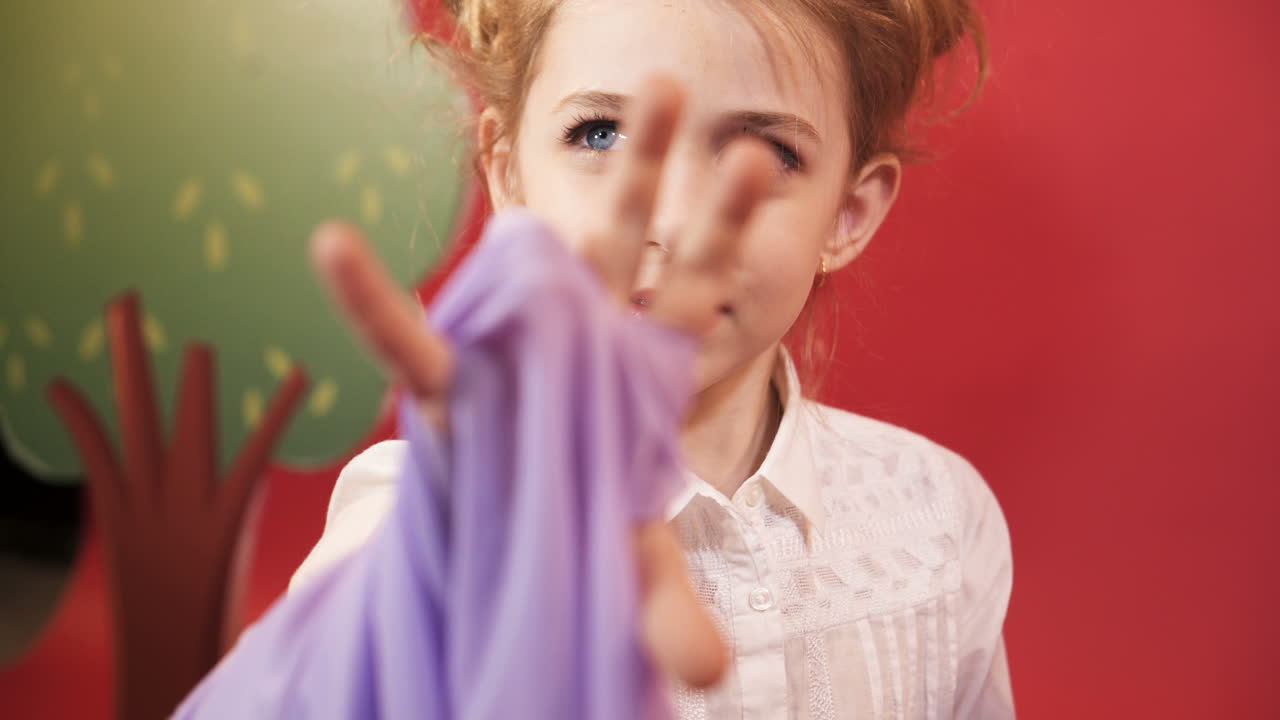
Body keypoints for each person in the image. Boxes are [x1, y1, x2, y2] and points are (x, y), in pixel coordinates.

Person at [296, 0, 1014, 717]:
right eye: (601, 134)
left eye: (762, 155)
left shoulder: (940, 517)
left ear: (845, 215)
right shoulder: (422, 510)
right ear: (509, 179)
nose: (672, 220)